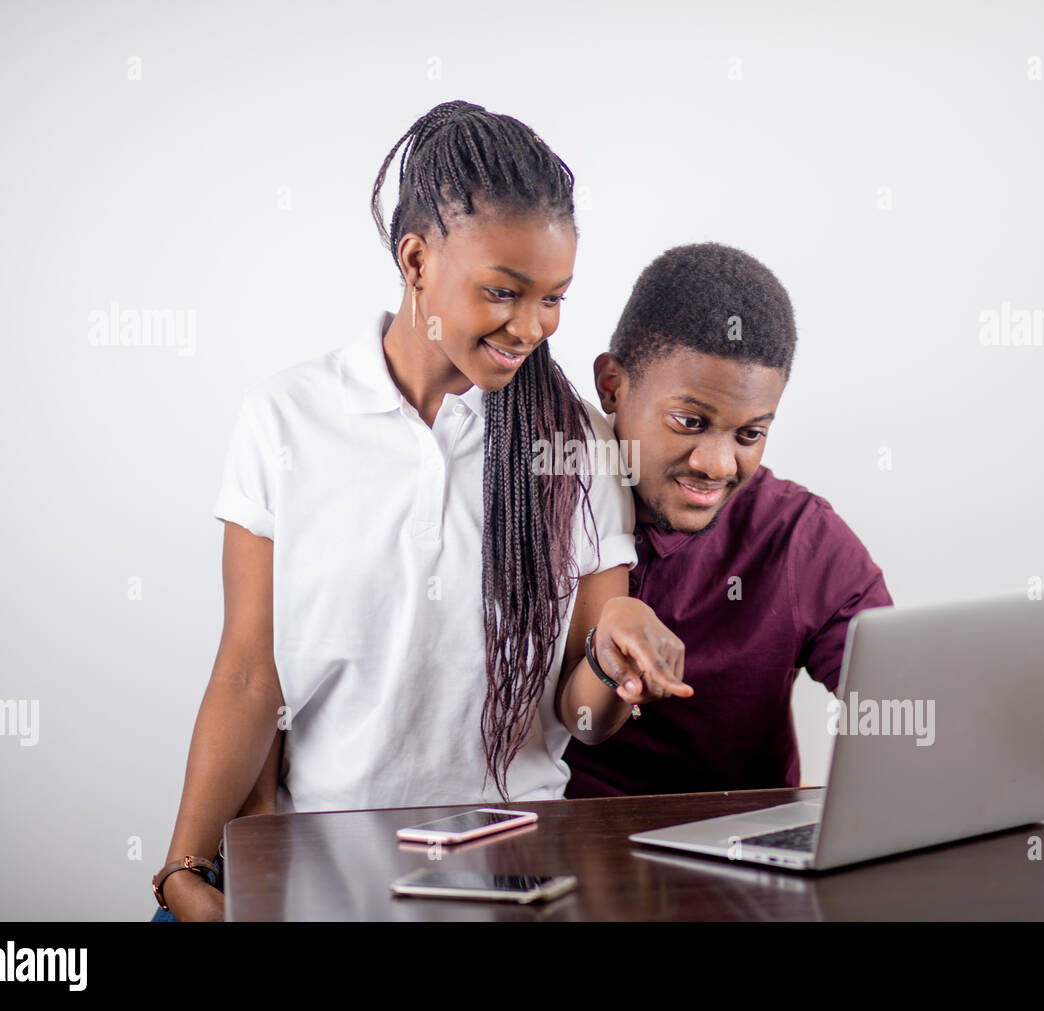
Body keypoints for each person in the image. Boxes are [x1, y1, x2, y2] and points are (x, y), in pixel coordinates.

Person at [152, 101, 689, 922]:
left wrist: (617, 660)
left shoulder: (571, 440)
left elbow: (581, 719)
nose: (532, 328)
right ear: (414, 260)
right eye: (503, 292)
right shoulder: (287, 418)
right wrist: (184, 868)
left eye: (553, 298)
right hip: (327, 869)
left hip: (519, 872)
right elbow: (249, 673)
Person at [563, 242, 894, 798]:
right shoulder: (541, 506)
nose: (716, 466)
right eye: (689, 422)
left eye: (750, 434)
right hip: (575, 851)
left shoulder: (799, 538)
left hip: (747, 855)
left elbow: (895, 699)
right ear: (612, 387)